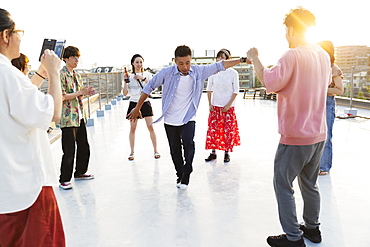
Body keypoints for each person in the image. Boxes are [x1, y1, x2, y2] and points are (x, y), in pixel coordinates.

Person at [246, 7, 331, 247]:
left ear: (292, 29)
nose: (286, 35)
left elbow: (270, 82)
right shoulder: (323, 56)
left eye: (286, 30)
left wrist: (254, 58)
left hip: (295, 136)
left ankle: (294, 238)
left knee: (283, 185)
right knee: (310, 184)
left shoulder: (291, 56)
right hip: (318, 134)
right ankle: (312, 230)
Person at [127, 45, 246, 189]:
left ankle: (187, 171)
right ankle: (180, 174)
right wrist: (137, 108)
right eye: (181, 63)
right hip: (170, 118)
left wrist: (242, 60)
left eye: (188, 62)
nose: (185, 66)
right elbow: (148, 88)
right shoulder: (166, 72)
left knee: (189, 144)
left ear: (191, 60)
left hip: (189, 116)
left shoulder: (199, 71)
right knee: (174, 149)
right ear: (175, 61)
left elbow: (220, 65)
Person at [0, 8, 65, 246]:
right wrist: (55, 74)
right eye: (18, 33)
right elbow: (53, 113)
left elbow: (19, 101)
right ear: (6, 35)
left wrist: (40, 73)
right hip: (26, 190)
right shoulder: (7, 73)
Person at [57, 46, 95, 190]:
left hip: (79, 115)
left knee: (84, 146)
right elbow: (61, 96)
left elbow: (79, 93)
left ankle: (80, 172)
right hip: (67, 117)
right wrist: (80, 91)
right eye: (73, 57)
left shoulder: (76, 75)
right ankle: (64, 179)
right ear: (65, 59)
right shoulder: (60, 75)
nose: (76, 60)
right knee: (69, 149)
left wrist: (86, 92)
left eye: (77, 57)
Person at [205, 49, 240, 163]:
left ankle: (226, 152)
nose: (220, 60)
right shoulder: (213, 72)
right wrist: (210, 104)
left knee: (227, 130)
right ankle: (213, 152)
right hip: (215, 106)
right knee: (214, 130)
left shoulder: (233, 73)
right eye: (218, 57)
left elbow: (236, 91)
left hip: (228, 107)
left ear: (228, 59)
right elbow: (209, 89)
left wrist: (228, 105)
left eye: (223, 58)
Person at [122, 54, 160, 161]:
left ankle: (156, 150)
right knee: (133, 129)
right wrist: (125, 82)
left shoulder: (147, 74)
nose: (139, 64)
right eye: (137, 62)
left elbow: (154, 88)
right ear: (132, 63)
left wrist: (142, 79)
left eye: (141, 62)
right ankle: (132, 152)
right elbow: (125, 93)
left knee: (150, 127)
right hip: (133, 102)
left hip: (145, 102)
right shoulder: (128, 76)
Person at [317, 41, 344, 176]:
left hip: (327, 103)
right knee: (314, 135)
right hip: (315, 102)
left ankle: (324, 166)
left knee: (326, 137)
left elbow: (340, 90)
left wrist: (321, 89)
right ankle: (314, 165)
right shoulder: (316, 66)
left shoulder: (333, 68)